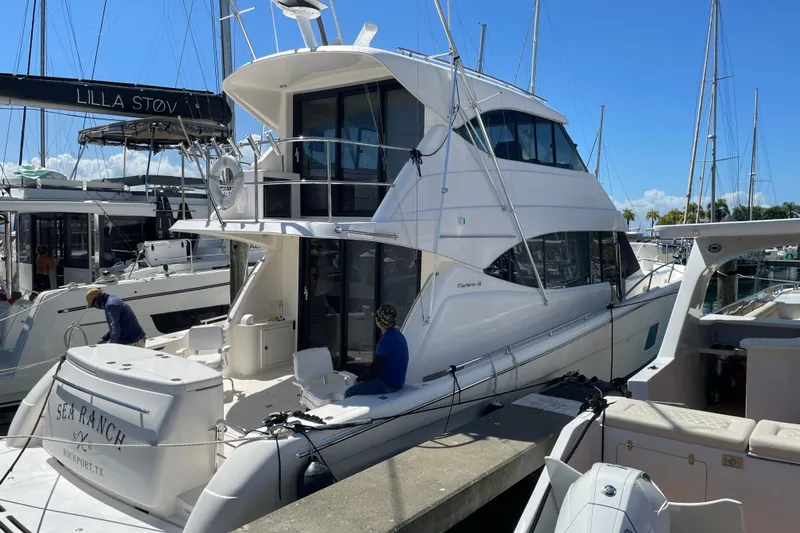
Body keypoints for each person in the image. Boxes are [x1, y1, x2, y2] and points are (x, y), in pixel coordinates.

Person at [345, 304, 409, 398]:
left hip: (388, 385)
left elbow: (373, 369)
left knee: (349, 392)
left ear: (379, 322)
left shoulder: (384, 342)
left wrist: (358, 380)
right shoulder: (399, 336)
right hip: (398, 381)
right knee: (355, 367)